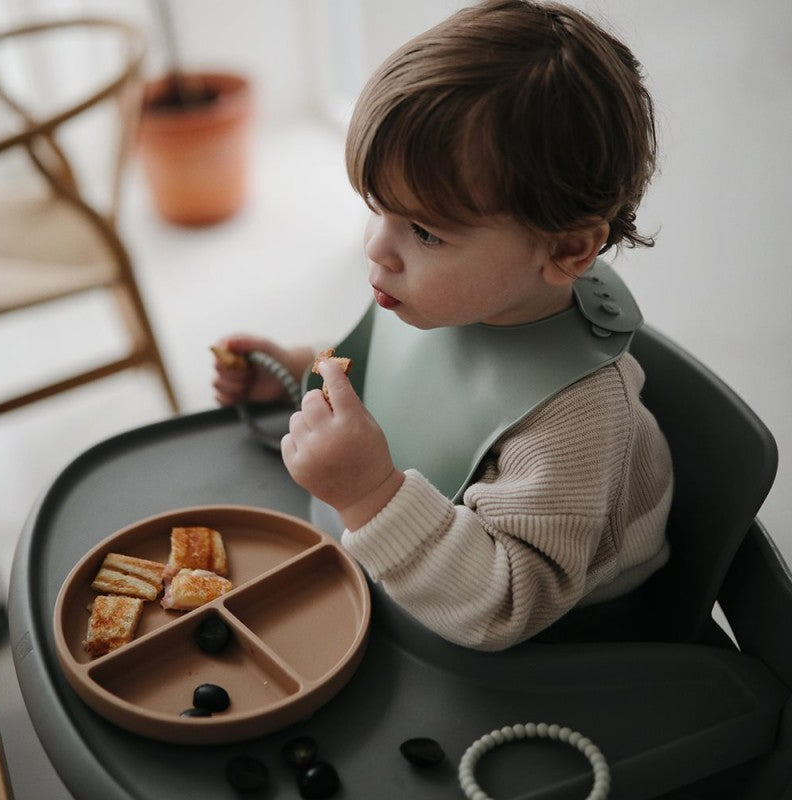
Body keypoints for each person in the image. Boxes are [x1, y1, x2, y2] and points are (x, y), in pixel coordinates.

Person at [213, 0, 672, 650]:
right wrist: (296, 371)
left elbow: (507, 605)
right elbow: (400, 376)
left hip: (561, 649)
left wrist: (369, 494)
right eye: (377, 208)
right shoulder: (444, 296)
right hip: (419, 575)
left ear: (568, 250)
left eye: (425, 232)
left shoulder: (575, 421)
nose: (377, 247)